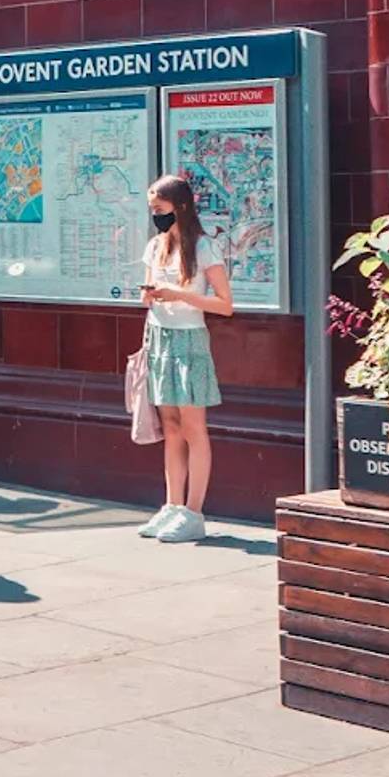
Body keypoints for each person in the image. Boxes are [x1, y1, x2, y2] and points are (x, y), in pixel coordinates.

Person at [137, 173, 234, 544]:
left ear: (180, 207)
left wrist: (179, 295)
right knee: (171, 428)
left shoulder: (204, 248)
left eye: (160, 209)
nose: (156, 216)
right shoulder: (155, 246)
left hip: (190, 339)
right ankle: (172, 505)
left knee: (194, 427)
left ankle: (194, 512)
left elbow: (225, 305)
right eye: (152, 210)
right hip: (159, 336)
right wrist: (150, 296)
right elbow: (150, 291)